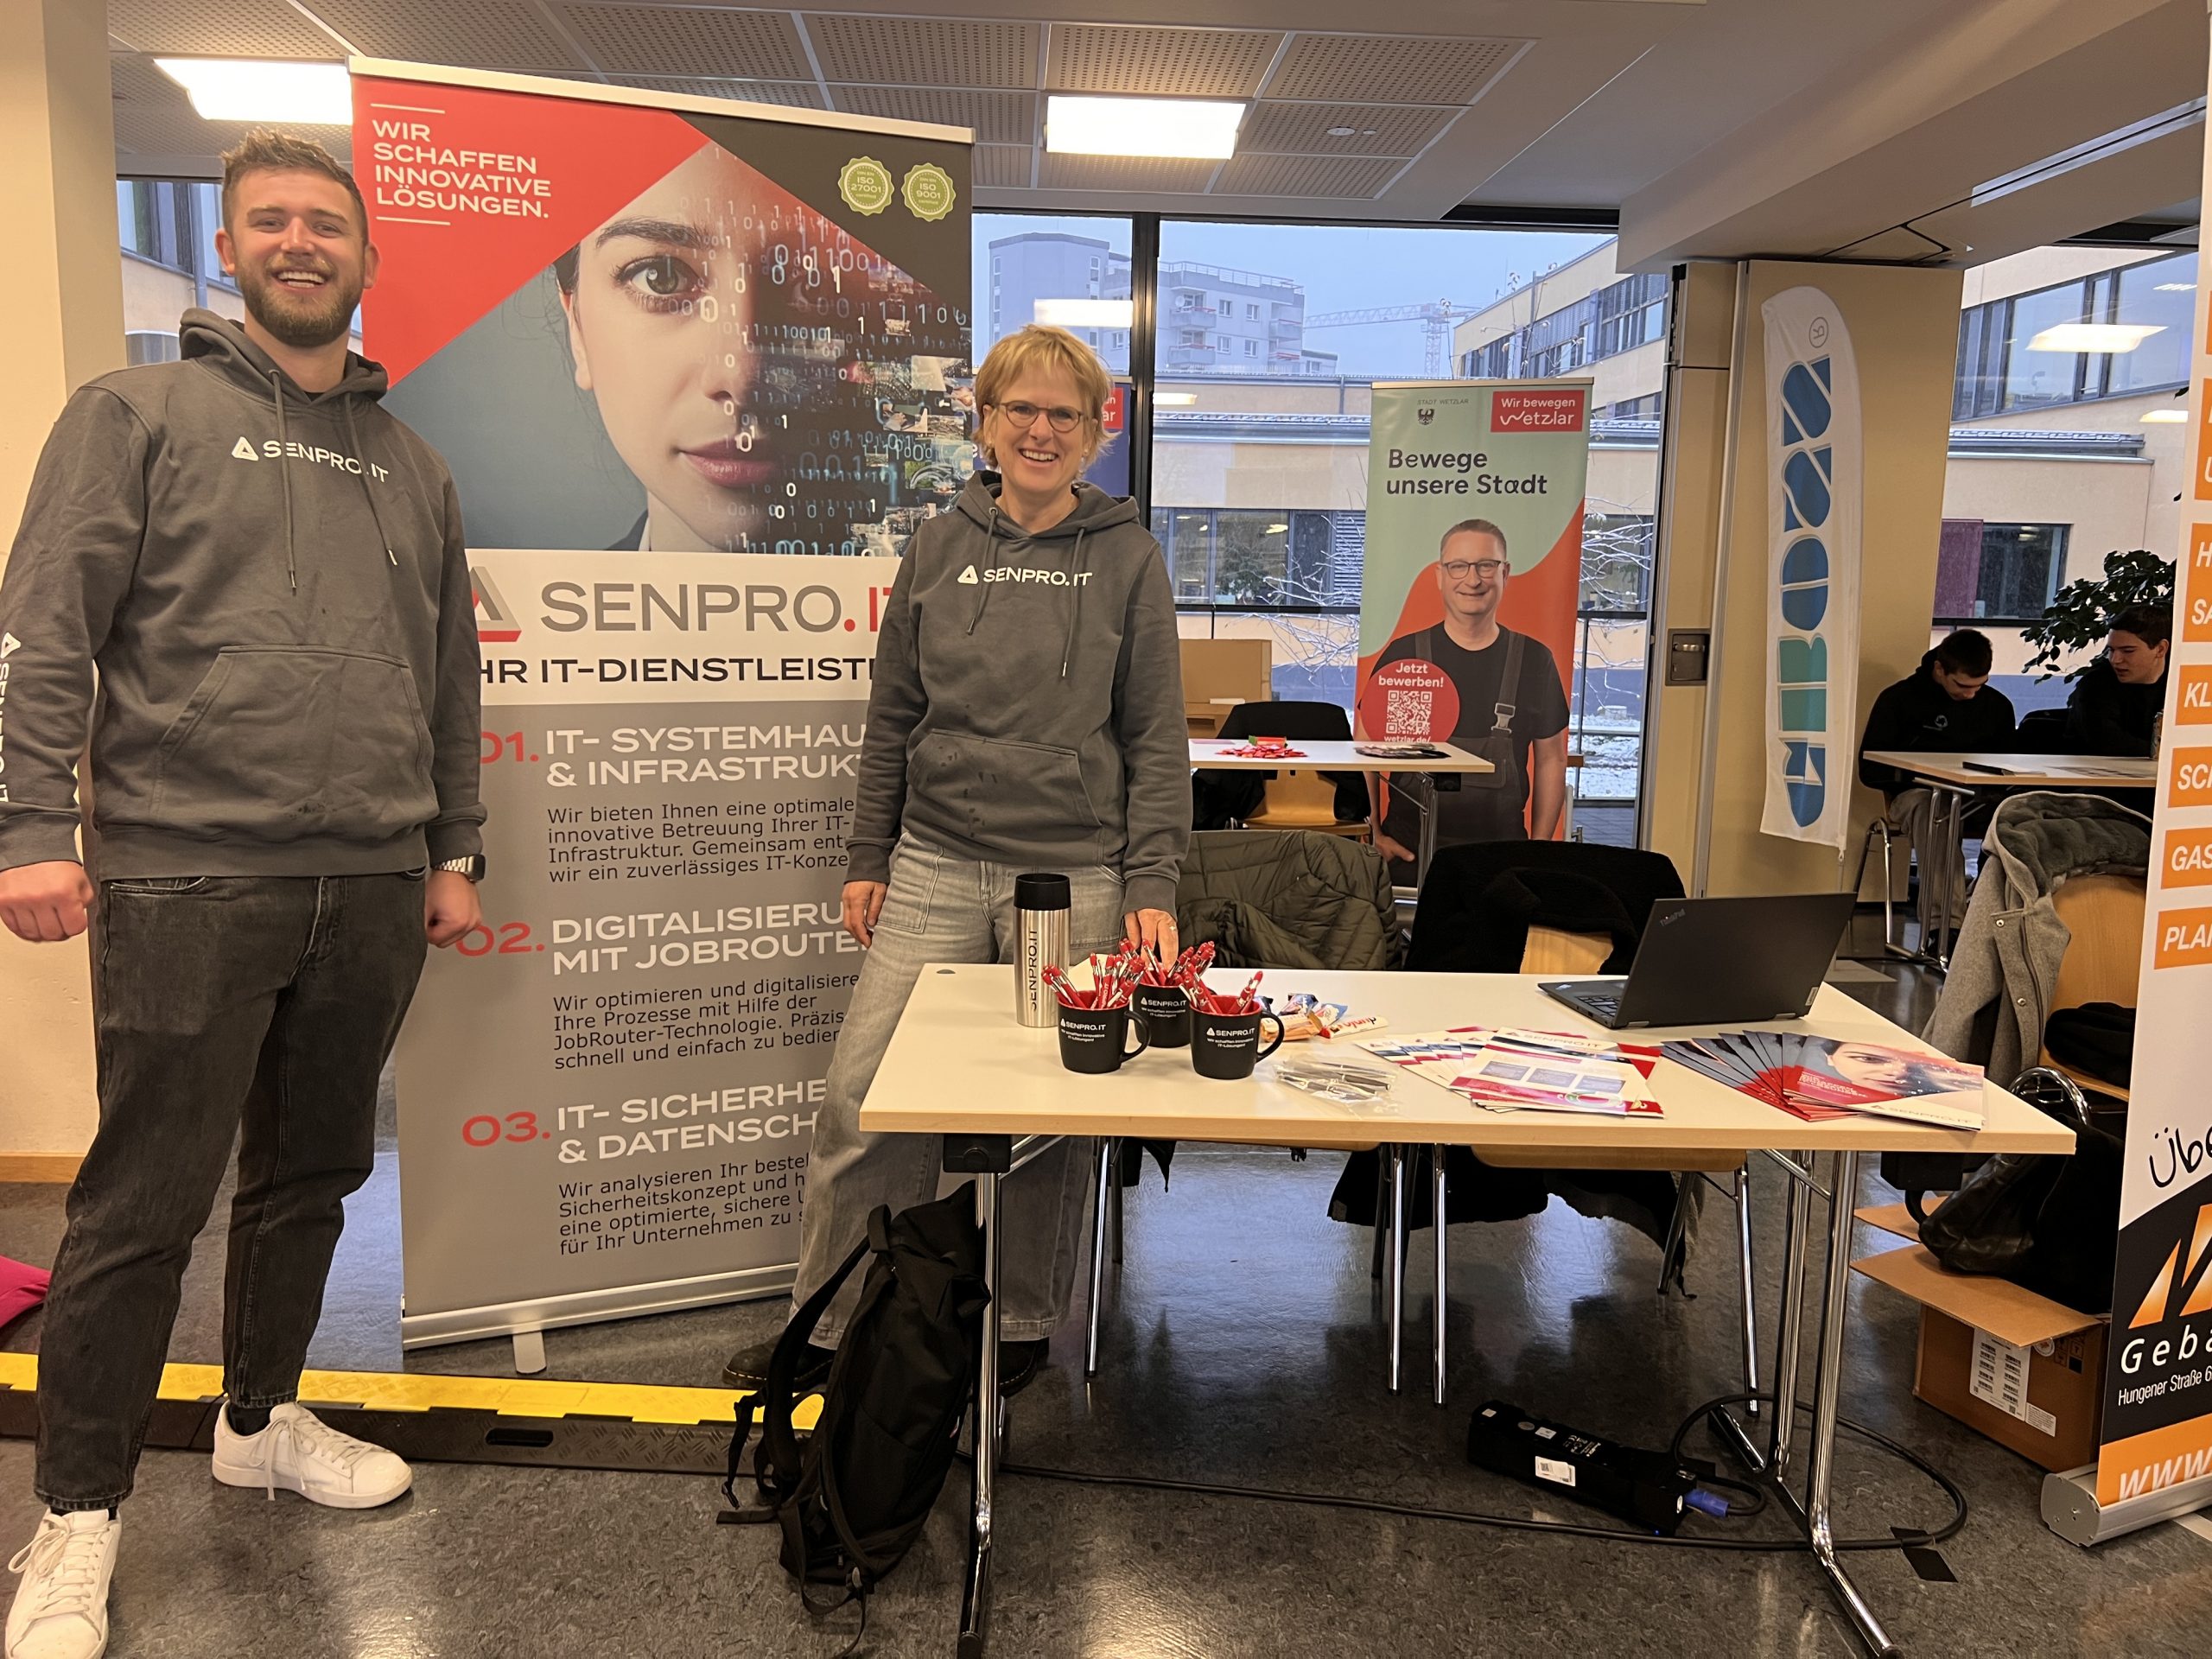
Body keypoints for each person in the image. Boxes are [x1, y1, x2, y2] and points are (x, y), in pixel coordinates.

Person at [0, 132, 485, 1659]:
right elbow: (43, 632)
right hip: (186, 872)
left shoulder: (412, 462)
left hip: (371, 877)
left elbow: (448, 676)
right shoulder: (132, 413)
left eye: (323, 224)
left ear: (363, 256)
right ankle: (76, 1519)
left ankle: (260, 1417)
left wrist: (453, 848)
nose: (297, 241)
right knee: (140, 1208)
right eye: (268, 221)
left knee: (314, 1179)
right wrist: (27, 828)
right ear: (229, 250)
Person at [721, 325, 1187, 1398]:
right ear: (983, 422)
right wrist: (866, 851)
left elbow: (1157, 737)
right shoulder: (935, 545)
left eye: (1061, 414)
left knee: (1044, 1116)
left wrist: (1153, 882)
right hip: (932, 860)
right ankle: (829, 1326)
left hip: (1071, 881)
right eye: (1018, 409)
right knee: (865, 1100)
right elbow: (892, 713)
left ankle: (1020, 1319)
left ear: (1093, 433)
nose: (1038, 430)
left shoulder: (1127, 556)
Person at [551, 143, 966, 555]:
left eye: (814, 286)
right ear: (577, 326)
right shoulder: (534, 620)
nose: (743, 377)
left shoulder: (949, 607)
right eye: (661, 277)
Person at [1368, 519, 1569, 873]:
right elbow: (1365, 747)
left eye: (1486, 566)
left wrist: (1538, 851)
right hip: (1410, 853)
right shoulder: (1406, 656)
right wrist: (1374, 833)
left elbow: (1551, 759)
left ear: (1505, 573)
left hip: (1502, 857)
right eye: (1458, 566)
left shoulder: (1534, 660)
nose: (1472, 580)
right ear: (1440, 575)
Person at [1857, 628, 2016, 794]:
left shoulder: (1998, 705)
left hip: (1981, 797)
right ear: (1939, 669)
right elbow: (1870, 770)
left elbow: (2008, 768)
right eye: (1962, 685)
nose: (1971, 695)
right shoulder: (1899, 699)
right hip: (1918, 792)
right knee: (1932, 809)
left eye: (1980, 685)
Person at [2064, 603, 2171, 757]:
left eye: (2128, 651)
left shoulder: (2181, 684)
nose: (2115, 660)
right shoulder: (2095, 685)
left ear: (2160, 649)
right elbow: (2108, 743)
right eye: (2111, 650)